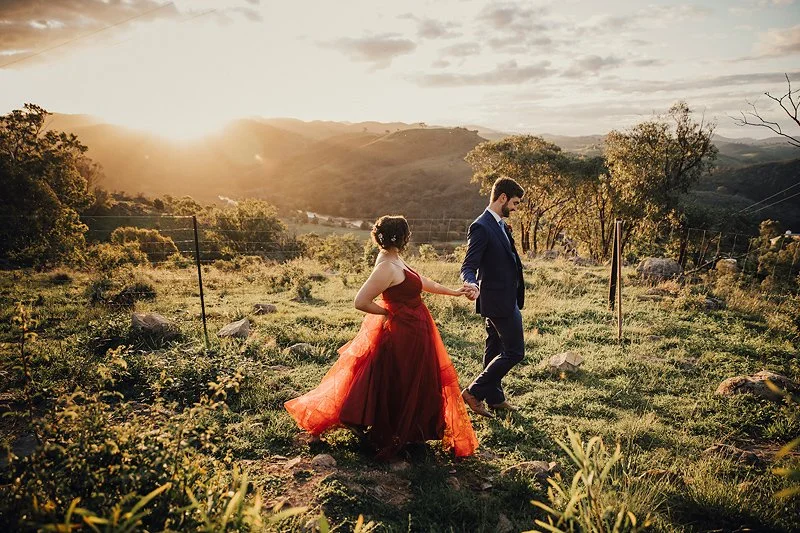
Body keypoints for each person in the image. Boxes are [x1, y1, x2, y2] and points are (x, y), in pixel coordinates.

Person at [285, 215, 478, 460]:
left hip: (415, 328)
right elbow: (361, 301)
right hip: (404, 331)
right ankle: (393, 427)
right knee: (403, 378)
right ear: (402, 236)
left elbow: (421, 281)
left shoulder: (394, 258)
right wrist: (388, 312)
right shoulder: (386, 266)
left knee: (402, 376)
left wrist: (452, 292)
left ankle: (403, 428)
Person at [460, 177, 526, 418]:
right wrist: (470, 283)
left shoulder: (499, 224)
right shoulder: (481, 226)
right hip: (497, 301)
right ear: (502, 198)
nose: (516, 208)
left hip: (506, 298)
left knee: (495, 347)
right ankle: (473, 392)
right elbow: (469, 265)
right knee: (515, 351)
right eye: (515, 203)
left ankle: (495, 398)